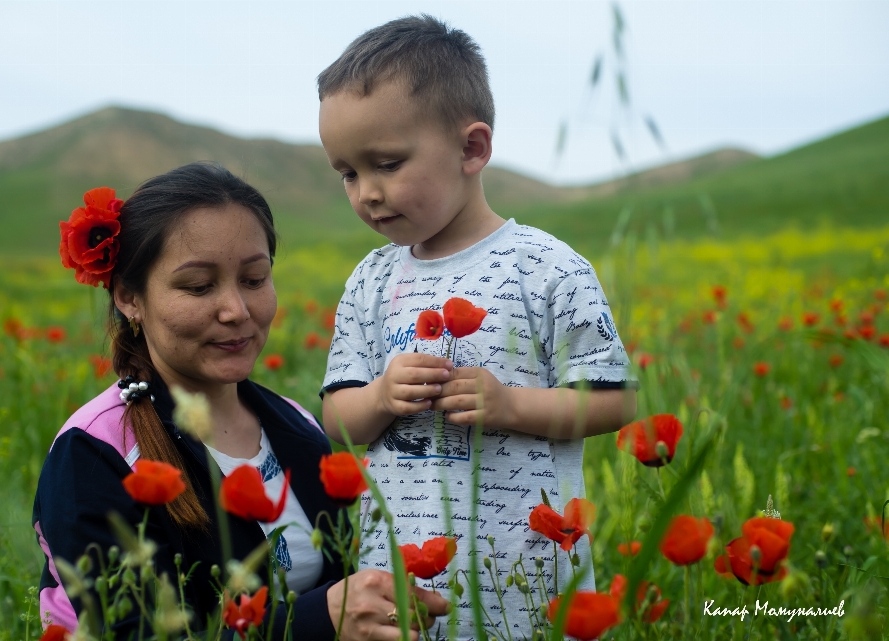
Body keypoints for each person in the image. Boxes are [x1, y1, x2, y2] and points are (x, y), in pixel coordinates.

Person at [317, 16, 639, 639]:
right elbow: (338, 419)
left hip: (526, 577)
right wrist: (381, 396)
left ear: (471, 149)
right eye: (348, 174)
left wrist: (512, 404)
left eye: (386, 163)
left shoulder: (547, 267)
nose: (367, 194)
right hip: (398, 582)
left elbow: (616, 400)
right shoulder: (369, 280)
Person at [34, 162, 448, 640]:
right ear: (129, 297)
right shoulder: (93, 453)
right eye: (198, 286)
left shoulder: (295, 426)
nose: (237, 311)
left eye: (254, 279)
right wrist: (320, 621)